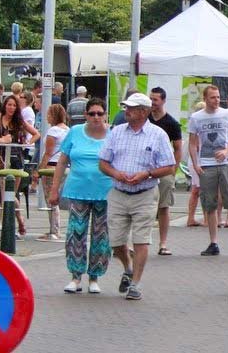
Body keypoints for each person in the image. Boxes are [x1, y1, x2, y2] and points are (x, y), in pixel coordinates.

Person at [98, 93, 175, 300]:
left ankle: (135, 284)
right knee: (115, 241)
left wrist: (147, 173)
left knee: (141, 240)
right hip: (118, 192)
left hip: (145, 193)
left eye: (131, 108)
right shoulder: (116, 132)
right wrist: (116, 174)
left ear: (144, 111)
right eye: (126, 107)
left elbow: (169, 166)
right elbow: (103, 162)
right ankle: (128, 267)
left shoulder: (158, 134)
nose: (127, 111)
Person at [49, 98, 112, 294]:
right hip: (78, 190)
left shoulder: (113, 134)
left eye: (99, 113)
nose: (96, 117)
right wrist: (54, 188)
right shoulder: (75, 132)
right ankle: (75, 277)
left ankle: (94, 277)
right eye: (92, 113)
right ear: (85, 115)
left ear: (105, 115)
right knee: (76, 233)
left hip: (105, 191)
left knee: (101, 236)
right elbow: (62, 161)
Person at [188, 85, 228, 258]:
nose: (216, 100)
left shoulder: (226, 114)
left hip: (225, 162)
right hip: (206, 163)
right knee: (210, 204)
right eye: (212, 97)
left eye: (218, 97)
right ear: (205, 99)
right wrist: (196, 163)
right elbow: (192, 142)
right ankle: (213, 242)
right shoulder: (196, 117)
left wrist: (227, 150)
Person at [0, 95, 40, 236]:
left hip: (17, 159)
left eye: (14, 105)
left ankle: (14, 225)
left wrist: (27, 144)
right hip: (2, 161)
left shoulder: (19, 122)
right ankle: (16, 222)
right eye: (9, 105)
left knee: (12, 193)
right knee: (6, 193)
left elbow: (36, 134)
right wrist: (1, 141)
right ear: (4, 105)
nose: (11, 108)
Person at [148, 87, 182, 255]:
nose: (152, 103)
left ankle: (163, 243)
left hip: (164, 170)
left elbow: (177, 148)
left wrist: (173, 170)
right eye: (151, 99)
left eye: (155, 100)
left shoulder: (172, 123)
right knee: (144, 206)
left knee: (163, 207)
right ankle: (141, 241)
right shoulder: (145, 119)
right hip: (146, 169)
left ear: (163, 101)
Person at [35, 104, 69, 242]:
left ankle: (54, 230)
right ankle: (55, 229)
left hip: (51, 167)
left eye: (48, 114)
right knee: (56, 197)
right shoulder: (67, 130)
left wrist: (39, 170)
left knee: (50, 198)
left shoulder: (53, 131)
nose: (47, 117)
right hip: (64, 166)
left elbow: (48, 153)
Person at [185, 101, 207, 227]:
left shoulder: (193, 124)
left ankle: (191, 218)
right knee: (202, 190)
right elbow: (197, 145)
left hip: (193, 160)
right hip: (199, 160)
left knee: (196, 189)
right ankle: (204, 218)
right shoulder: (199, 125)